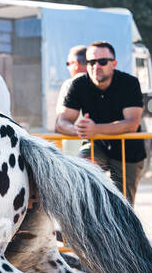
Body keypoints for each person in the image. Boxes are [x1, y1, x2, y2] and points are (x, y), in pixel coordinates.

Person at [56, 40, 145, 202]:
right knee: (80, 174)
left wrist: (95, 129)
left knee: (123, 206)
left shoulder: (129, 83)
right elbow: (61, 122)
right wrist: (78, 130)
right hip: (97, 146)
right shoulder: (78, 84)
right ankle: (84, 223)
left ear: (114, 64)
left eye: (102, 62)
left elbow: (132, 124)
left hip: (129, 151)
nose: (96, 66)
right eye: (91, 62)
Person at [55, 45, 88, 114]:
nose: (68, 68)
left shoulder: (70, 84)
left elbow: (61, 115)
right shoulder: (103, 82)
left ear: (76, 64)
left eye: (68, 64)